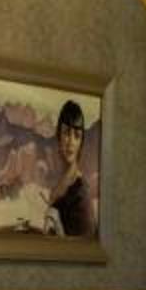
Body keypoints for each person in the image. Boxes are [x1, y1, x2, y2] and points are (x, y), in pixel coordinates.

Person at [50, 99, 95, 238]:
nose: (71, 142)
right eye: (66, 132)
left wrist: (57, 223)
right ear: (58, 136)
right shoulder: (61, 181)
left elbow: (85, 245)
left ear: (81, 143)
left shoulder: (81, 193)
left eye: (77, 136)